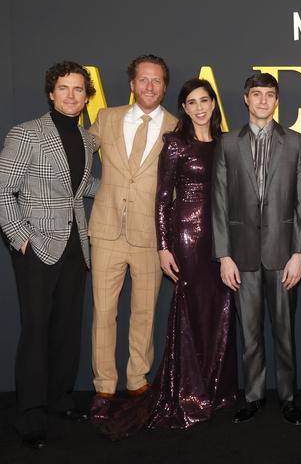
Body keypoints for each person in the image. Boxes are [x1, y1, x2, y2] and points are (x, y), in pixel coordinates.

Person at [90, 79, 238, 439]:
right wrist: (164, 246)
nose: (200, 107)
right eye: (191, 102)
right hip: (186, 237)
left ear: (213, 104)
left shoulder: (226, 143)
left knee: (218, 309)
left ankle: (213, 388)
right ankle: (185, 390)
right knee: (189, 310)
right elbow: (161, 199)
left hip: (220, 240)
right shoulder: (176, 142)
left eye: (205, 100)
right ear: (183, 109)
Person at [0, 61, 99, 449]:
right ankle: (30, 415)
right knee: (37, 330)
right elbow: (2, 188)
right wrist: (19, 234)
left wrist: (124, 189)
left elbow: (82, 185)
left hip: (76, 246)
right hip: (36, 246)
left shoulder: (88, 139)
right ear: (51, 93)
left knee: (67, 328)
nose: (71, 95)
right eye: (64, 88)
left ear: (87, 95)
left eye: (78, 89)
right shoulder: (27, 134)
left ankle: (59, 399)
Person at [212, 72, 301, 425]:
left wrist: (299, 253)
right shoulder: (227, 143)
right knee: (249, 332)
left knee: (284, 331)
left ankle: (287, 397)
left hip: (284, 253)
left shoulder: (296, 142)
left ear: (276, 99)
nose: (263, 100)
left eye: (269, 94)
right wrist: (224, 255)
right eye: (257, 94)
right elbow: (219, 202)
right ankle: (252, 396)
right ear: (245, 98)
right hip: (242, 253)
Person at [88, 55, 177, 399]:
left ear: (164, 86)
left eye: (156, 81)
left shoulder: (175, 127)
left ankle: (137, 381)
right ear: (132, 84)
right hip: (107, 230)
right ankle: (104, 388)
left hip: (150, 235)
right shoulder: (106, 118)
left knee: (144, 314)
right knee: (103, 313)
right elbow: (78, 162)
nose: (150, 86)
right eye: (143, 80)